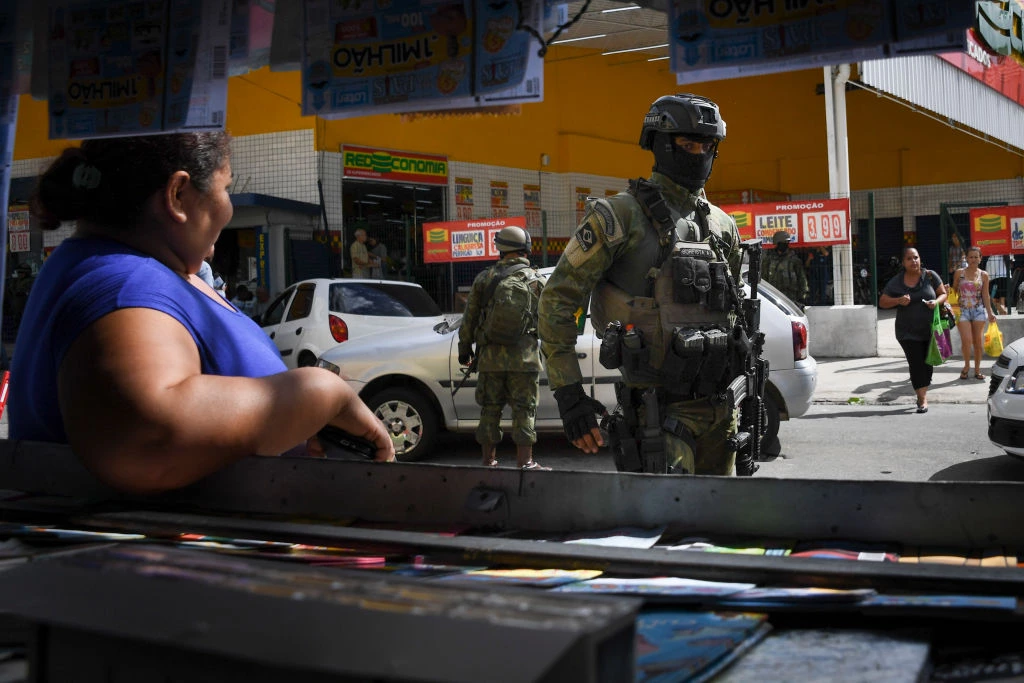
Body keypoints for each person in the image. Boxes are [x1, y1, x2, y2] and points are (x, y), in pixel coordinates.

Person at [9, 132, 395, 495]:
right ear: (177, 195)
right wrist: (324, 394)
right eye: (226, 188)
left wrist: (291, 424)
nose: (227, 206)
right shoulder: (126, 282)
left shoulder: (107, 263)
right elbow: (146, 438)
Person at [538, 93, 746, 476]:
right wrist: (569, 394)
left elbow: (735, 311)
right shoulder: (620, 217)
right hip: (657, 414)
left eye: (707, 145)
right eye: (688, 144)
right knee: (668, 525)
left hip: (721, 410)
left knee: (723, 527)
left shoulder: (722, 225)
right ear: (661, 145)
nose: (699, 153)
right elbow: (557, 300)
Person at [457, 226, 548, 470]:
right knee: (525, 410)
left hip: (490, 359)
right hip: (525, 359)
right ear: (527, 248)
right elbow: (547, 322)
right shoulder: (536, 280)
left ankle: (489, 461)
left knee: (490, 409)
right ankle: (525, 462)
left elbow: (469, 320)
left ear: (500, 248)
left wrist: (464, 350)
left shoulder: (484, 278)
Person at [879, 247, 948, 414]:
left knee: (928, 362)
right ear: (903, 262)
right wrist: (898, 300)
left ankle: (922, 387)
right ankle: (922, 398)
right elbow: (883, 301)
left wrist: (936, 302)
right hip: (907, 331)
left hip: (930, 329)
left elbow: (943, 294)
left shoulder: (930, 276)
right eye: (909, 258)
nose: (914, 261)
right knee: (916, 363)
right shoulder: (897, 281)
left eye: (916, 257)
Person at [951, 246, 996, 380]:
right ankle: (966, 366)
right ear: (966, 258)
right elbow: (954, 290)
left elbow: (985, 295)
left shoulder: (984, 275)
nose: (974, 259)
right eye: (971, 257)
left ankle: (977, 370)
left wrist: (990, 313)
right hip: (962, 310)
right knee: (967, 340)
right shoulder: (960, 273)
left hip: (978, 311)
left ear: (980, 258)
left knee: (977, 342)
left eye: (976, 257)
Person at [761, 230, 808, 306]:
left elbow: (802, 279)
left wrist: (802, 297)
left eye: (787, 243)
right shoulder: (768, 260)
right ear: (777, 243)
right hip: (774, 298)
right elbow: (764, 279)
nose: (786, 245)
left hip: (791, 299)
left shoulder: (794, 260)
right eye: (784, 243)